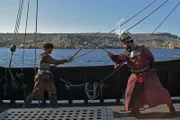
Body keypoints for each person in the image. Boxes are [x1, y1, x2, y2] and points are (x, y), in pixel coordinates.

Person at [107, 30, 176, 117]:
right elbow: (119, 59)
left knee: (159, 90)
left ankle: (171, 107)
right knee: (132, 93)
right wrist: (112, 56)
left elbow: (151, 58)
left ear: (131, 42)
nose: (125, 45)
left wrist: (152, 69)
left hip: (148, 75)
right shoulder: (125, 53)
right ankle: (135, 111)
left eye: (127, 43)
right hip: (135, 76)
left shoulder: (143, 50)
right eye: (124, 44)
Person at [24, 43, 73, 108]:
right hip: (41, 77)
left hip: (47, 78)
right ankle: (26, 104)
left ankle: (54, 106)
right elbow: (55, 61)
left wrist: (52, 67)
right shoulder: (45, 56)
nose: (52, 51)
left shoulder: (45, 56)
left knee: (53, 91)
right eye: (51, 49)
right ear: (46, 49)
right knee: (36, 92)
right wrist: (66, 60)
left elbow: (46, 66)